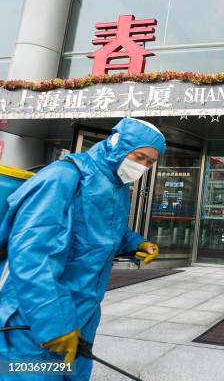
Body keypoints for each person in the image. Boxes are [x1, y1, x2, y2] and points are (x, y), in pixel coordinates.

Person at [0, 117, 165, 380]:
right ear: (117, 144)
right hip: (33, 319)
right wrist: (52, 322)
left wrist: (136, 244)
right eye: (140, 156)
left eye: (150, 162)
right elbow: (31, 255)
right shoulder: (63, 177)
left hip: (81, 315)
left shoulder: (117, 187)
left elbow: (101, 233)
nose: (142, 166)